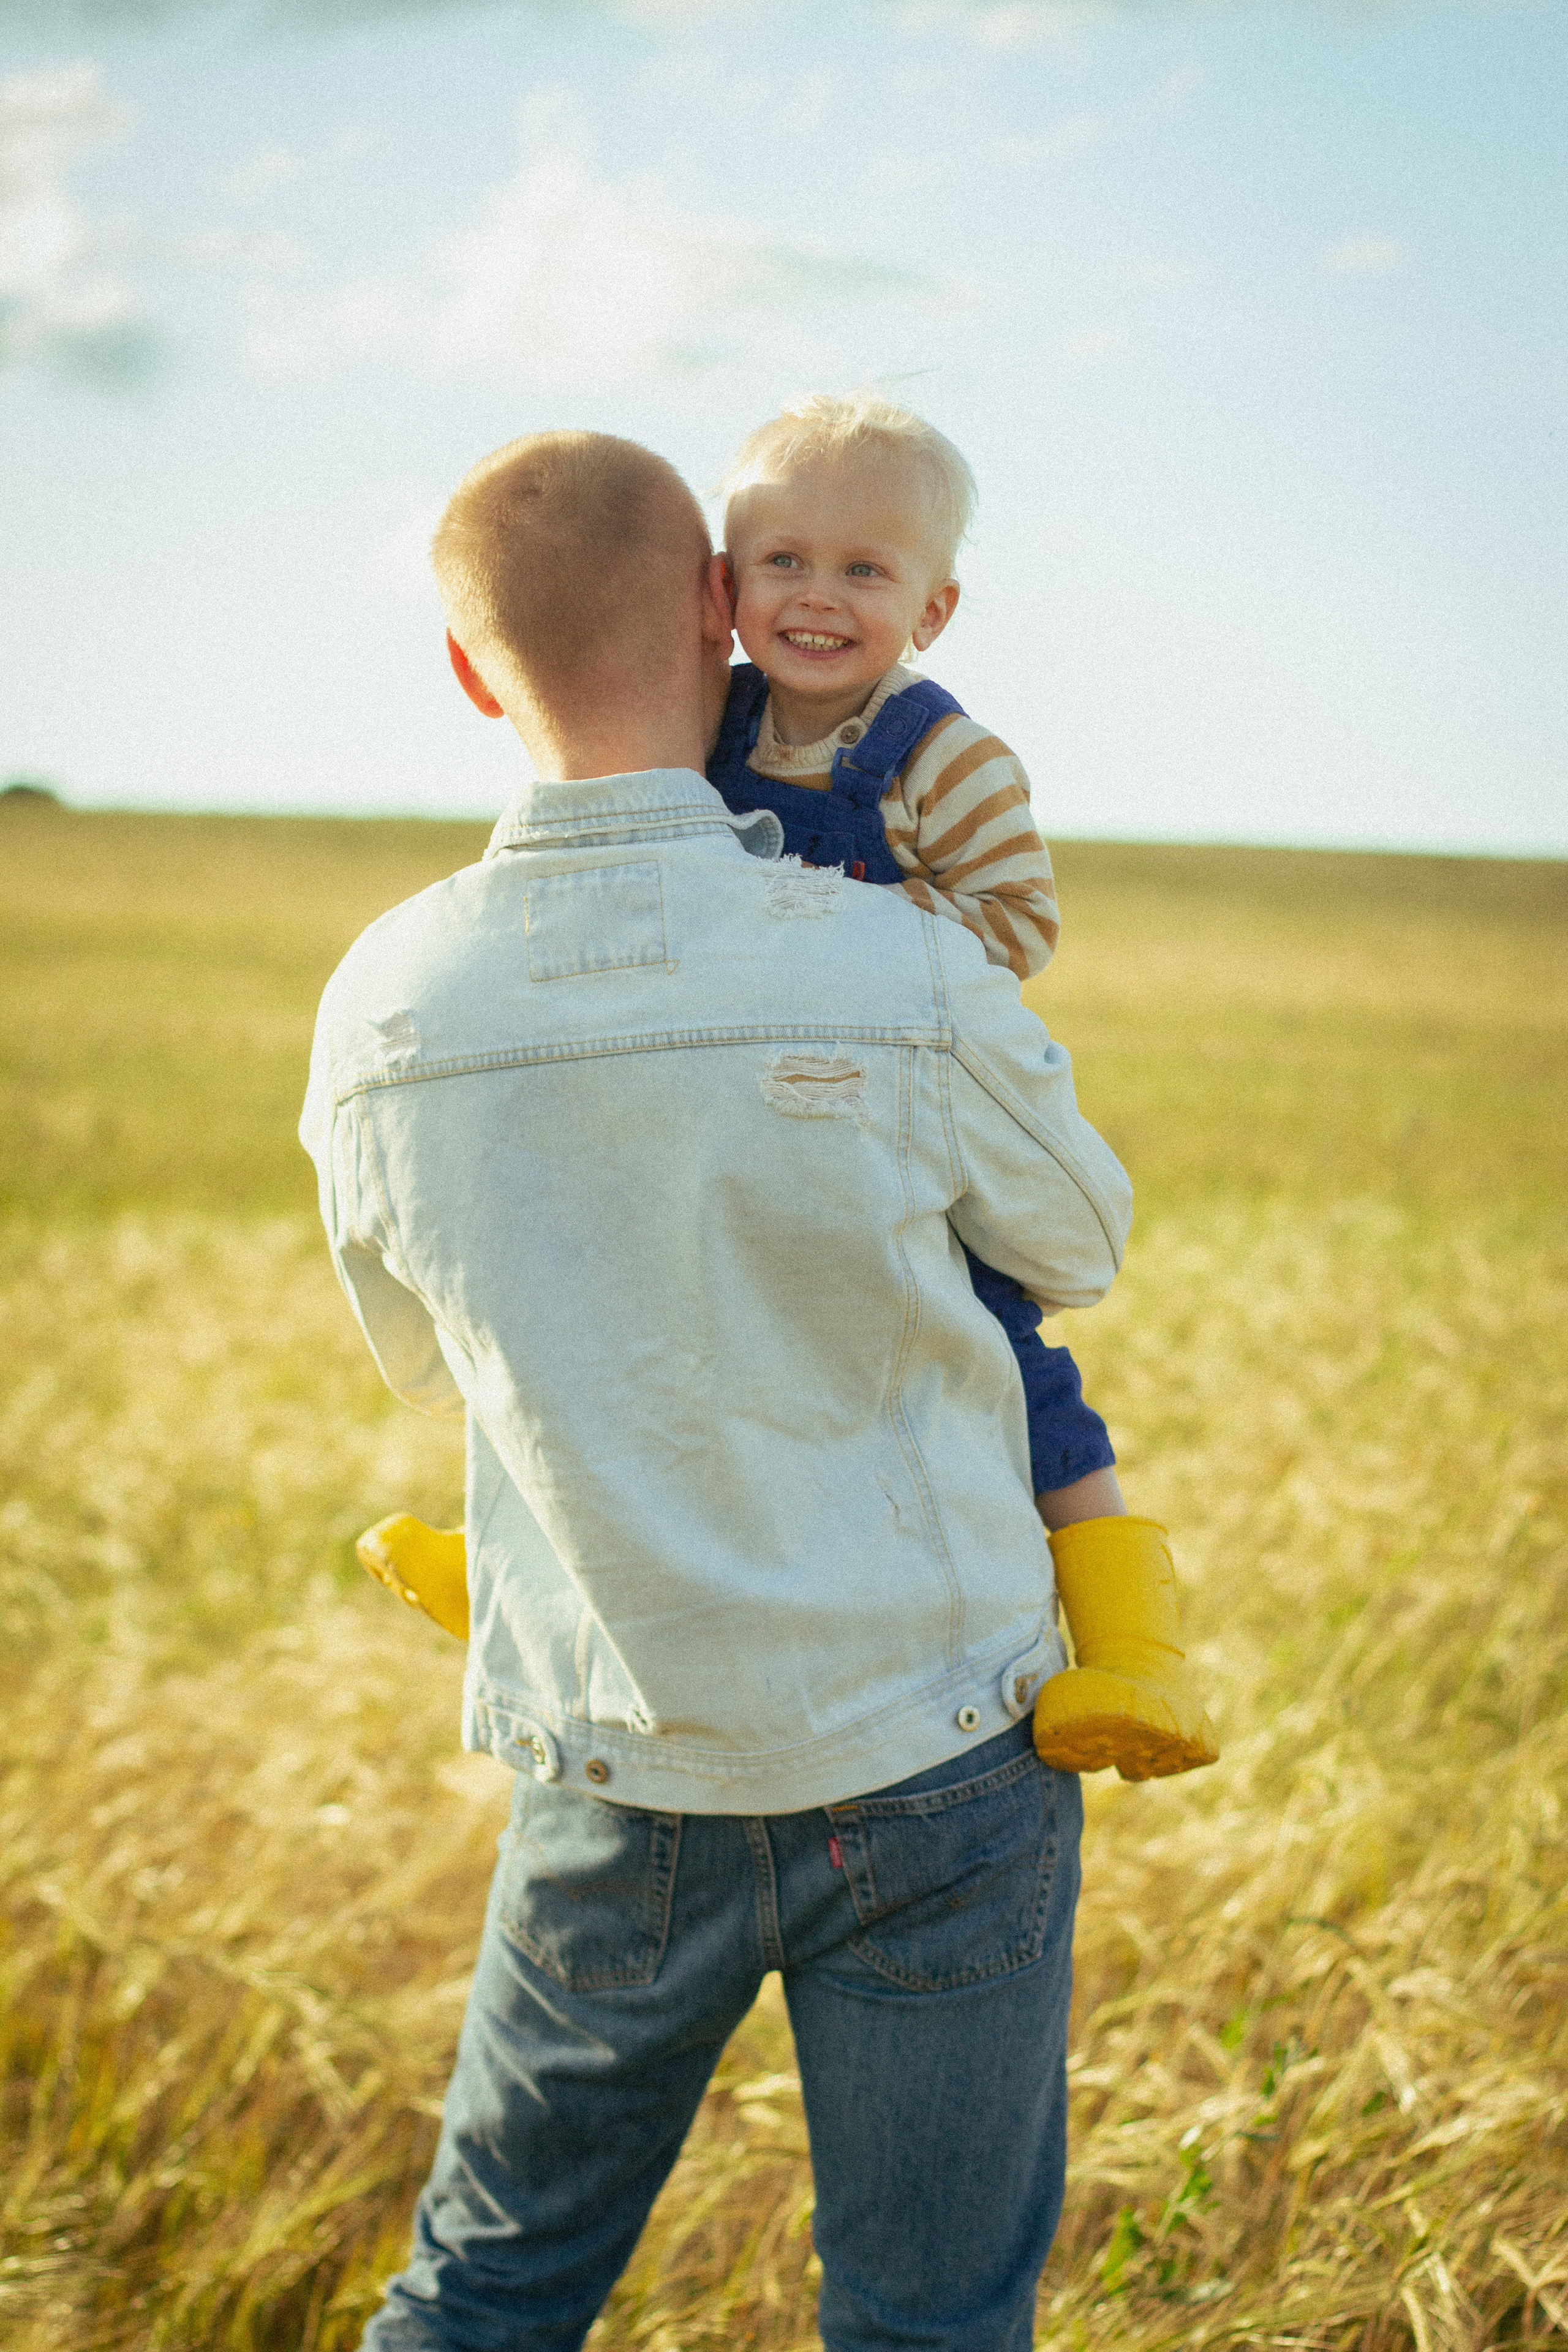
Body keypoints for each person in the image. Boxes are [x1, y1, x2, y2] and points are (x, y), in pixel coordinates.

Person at [302, 427, 1136, 2350]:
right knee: (929, 2325)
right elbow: (1077, 1243)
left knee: (490, 2288)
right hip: (942, 1742)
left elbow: (425, 1363)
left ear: (462, 669)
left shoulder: (382, 999)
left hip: (613, 1746)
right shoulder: (895, 958)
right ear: (719, 609)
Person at [363, 394, 1218, 1786]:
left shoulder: (945, 759)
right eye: (784, 564)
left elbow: (1014, 923)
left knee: (1015, 1356)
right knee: (594, 1302)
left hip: (861, 1092)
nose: (818, 598)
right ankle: (532, 1581)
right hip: (725, 1098)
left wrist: (849, 973)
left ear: (932, 609)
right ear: (722, 591)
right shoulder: (713, 726)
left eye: (864, 573)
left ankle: (1134, 1654)